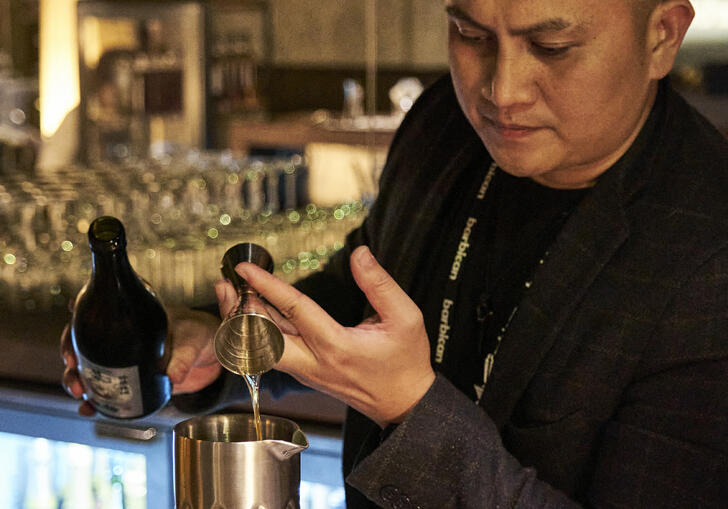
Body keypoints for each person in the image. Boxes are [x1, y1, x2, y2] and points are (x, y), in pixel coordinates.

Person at [61, 0, 728, 507]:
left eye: (551, 46)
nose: (502, 91)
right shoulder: (446, 123)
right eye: (470, 34)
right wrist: (226, 341)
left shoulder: (707, 253)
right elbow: (363, 289)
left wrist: (413, 410)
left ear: (661, 35)